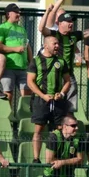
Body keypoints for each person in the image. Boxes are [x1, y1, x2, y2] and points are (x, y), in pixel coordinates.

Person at [40, 0, 89, 110]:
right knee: (53, 106)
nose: (71, 23)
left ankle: (69, 124)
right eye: (68, 21)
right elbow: (41, 28)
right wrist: (51, 8)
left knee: (71, 106)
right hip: (54, 74)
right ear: (60, 24)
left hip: (69, 74)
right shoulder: (54, 35)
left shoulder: (74, 35)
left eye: (71, 21)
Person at [27, 34, 72, 162]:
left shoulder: (61, 61)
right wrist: (43, 96)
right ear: (45, 45)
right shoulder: (35, 61)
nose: (57, 46)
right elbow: (30, 81)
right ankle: (36, 158)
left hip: (58, 101)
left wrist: (62, 93)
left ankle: (56, 156)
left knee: (58, 130)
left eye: (58, 43)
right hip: (41, 100)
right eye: (54, 44)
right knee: (39, 128)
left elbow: (68, 81)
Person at [0, 3, 31, 102]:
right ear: (8, 14)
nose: (18, 14)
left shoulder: (22, 29)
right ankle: (7, 117)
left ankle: (25, 116)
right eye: (16, 12)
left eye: (19, 12)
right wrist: (15, 49)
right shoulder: (2, 28)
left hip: (23, 68)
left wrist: (31, 63)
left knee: (27, 95)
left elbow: (27, 46)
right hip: (8, 67)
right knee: (8, 94)